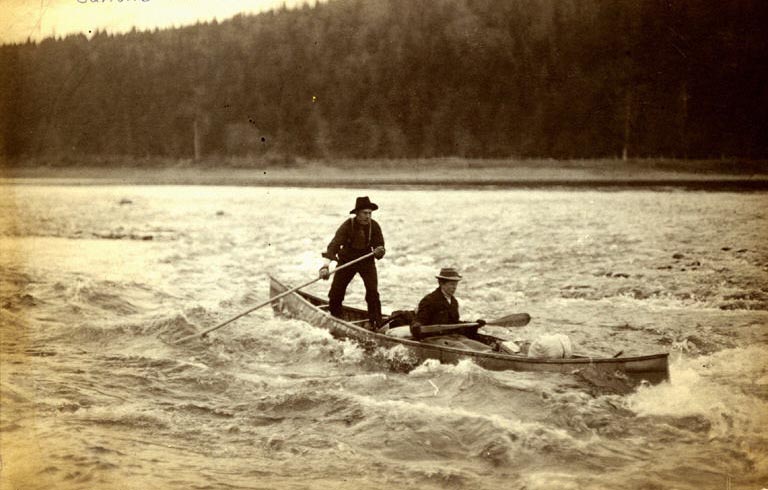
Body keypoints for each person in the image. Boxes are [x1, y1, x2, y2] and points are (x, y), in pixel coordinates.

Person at [319, 196, 386, 329]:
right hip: (347, 260)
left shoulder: (374, 226)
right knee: (336, 291)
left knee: (372, 291)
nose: (368, 216)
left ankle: (375, 322)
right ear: (357, 213)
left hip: (366, 261)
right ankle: (335, 316)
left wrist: (380, 251)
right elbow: (334, 246)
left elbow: (380, 248)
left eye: (370, 213)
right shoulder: (347, 225)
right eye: (365, 213)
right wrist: (325, 266)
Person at [411, 267, 485, 339]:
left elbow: (455, 323)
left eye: (456, 284)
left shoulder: (454, 302)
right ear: (441, 284)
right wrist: (416, 327)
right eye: (452, 284)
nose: (455, 287)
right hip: (433, 338)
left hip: (451, 337)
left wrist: (474, 324)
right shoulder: (429, 300)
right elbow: (419, 321)